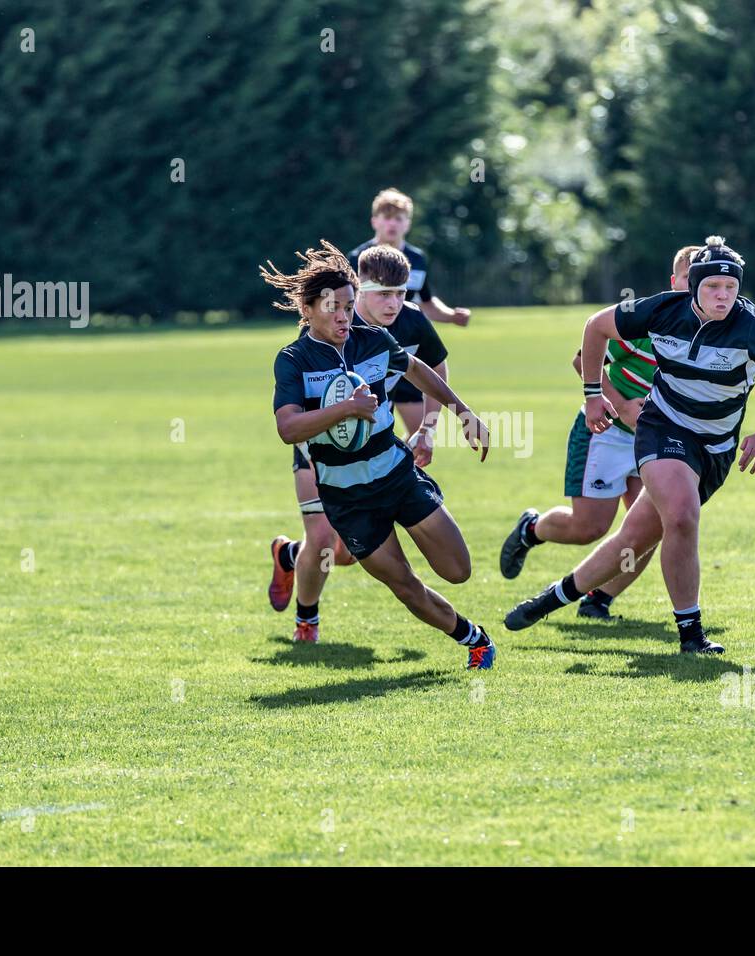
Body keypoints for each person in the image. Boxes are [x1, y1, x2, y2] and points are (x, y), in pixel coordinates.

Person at [505, 237, 755, 654]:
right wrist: (594, 394)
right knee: (681, 516)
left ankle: (550, 600)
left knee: (632, 539)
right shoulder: (663, 310)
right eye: (712, 287)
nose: (723, 296)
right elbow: (596, 327)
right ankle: (691, 636)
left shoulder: (751, 327)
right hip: (661, 426)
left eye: (730, 288)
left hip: (716, 448)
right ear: (693, 286)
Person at [263, 241, 496, 669]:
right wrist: (347, 408)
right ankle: (474, 639)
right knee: (403, 584)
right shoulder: (293, 359)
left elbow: (416, 369)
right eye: (333, 307)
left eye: (349, 307)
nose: (343, 317)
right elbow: (287, 428)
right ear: (308, 309)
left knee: (458, 569)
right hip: (346, 497)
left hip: (396, 476)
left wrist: (462, 412)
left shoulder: (373, 340)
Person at [499, 244, 702, 620]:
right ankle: (532, 529)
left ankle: (599, 599)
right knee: (588, 527)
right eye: (690, 281)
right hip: (606, 431)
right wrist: (622, 405)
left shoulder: (715, 331)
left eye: (705, 283)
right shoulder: (645, 320)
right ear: (674, 282)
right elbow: (583, 359)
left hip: (656, 444)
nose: (697, 291)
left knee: (649, 528)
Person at [349, 188, 470, 435]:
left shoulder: (418, 260)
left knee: (417, 434)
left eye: (398, 218)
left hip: (405, 349)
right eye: (386, 216)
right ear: (374, 221)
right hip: (368, 351)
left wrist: (450, 316)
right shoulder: (356, 258)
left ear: (408, 223)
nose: (392, 223)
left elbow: (425, 302)